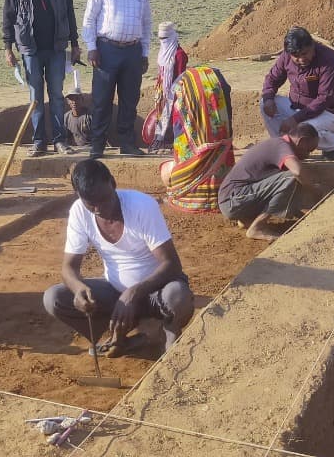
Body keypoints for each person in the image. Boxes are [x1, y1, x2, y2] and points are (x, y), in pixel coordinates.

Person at [43, 160, 194, 356]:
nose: (99, 209)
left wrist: (133, 292)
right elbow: (68, 269)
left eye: (104, 200)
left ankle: (161, 331)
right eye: (91, 204)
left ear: (113, 183)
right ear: (79, 196)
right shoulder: (79, 212)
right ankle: (119, 335)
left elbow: (172, 265)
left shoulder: (141, 206)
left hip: (156, 292)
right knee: (54, 298)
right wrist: (79, 288)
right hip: (115, 293)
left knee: (178, 296)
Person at [2, 0, 80, 157]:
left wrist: (74, 43)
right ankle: (38, 142)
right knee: (35, 96)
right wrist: (8, 49)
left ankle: (59, 140)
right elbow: (8, 17)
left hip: (56, 47)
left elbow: (69, 12)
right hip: (30, 49)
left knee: (56, 94)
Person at [80, 0, 157, 159]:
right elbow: (89, 19)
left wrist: (144, 52)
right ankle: (97, 144)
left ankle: (127, 143)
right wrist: (92, 47)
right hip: (106, 49)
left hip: (132, 50)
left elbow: (146, 22)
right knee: (102, 99)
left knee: (129, 99)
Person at [217, 124, 319, 241]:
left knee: (290, 180)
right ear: (302, 141)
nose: (308, 155)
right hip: (232, 199)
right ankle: (257, 227)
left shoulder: (279, 144)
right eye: (309, 150)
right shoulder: (281, 145)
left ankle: (247, 219)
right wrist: (314, 191)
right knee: (292, 178)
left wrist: (302, 215)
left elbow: (281, 194)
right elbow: (298, 172)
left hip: (235, 199)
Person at [261, 27, 334, 160]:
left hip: (329, 112)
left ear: (312, 45)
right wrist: (268, 98)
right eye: (296, 56)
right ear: (289, 53)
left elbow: (324, 99)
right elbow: (272, 78)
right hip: (297, 107)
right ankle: (283, 148)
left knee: (304, 131)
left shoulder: (329, 60)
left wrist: (295, 120)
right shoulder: (286, 56)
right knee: (264, 104)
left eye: (305, 53)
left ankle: (332, 143)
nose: (301, 59)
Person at [161, 65, 235, 213]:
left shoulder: (181, 112)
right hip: (225, 197)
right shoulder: (222, 120)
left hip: (187, 197)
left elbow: (171, 130)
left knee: (166, 169)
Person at [144, 21, 188, 151]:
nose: (163, 41)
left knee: (173, 117)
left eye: (165, 38)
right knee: (161, 117)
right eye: (161, 38)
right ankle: (161, 142)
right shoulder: (163, 52)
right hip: (161, 92)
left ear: (172, 36)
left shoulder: (179, 54)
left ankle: (173, 143)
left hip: (174, 92)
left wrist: (174, 95)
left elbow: (181, 76)